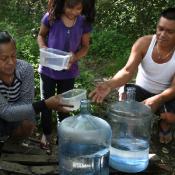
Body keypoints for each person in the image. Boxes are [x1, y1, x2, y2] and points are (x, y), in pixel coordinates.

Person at [89, 7, 175, 144]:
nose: (162, 34)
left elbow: (174, 88)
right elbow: (128, 71)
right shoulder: (144, 43)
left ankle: (164, 123)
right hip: (141, 91)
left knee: (170, 117)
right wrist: (109, 84)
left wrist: (157, 99)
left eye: (169, 31)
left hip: (166, 96)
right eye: (160, 28)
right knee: (125, 103)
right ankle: (132, 125)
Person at [37, 0, 95, 148]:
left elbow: (85, 47)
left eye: (78, 8)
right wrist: (44, 49)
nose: (73, 11)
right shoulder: (51, 17)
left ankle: (63, 134)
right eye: (69, 7)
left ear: (83, 7)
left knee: (65, 105)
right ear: (62, 3)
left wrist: (74, 57)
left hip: (69, 72)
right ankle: (46, 133)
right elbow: (41, 35)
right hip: (48, 70)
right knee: (47, 103)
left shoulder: (83, 22)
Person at [0, 31, 72, 142]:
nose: (10, 62)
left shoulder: (25, 69)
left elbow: (26, 104)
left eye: (13, 56)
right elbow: (5, 111)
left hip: (16, 116)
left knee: (28, 123)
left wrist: (15, 111)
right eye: (4, 58)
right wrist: (46, 104)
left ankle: (11, 144)